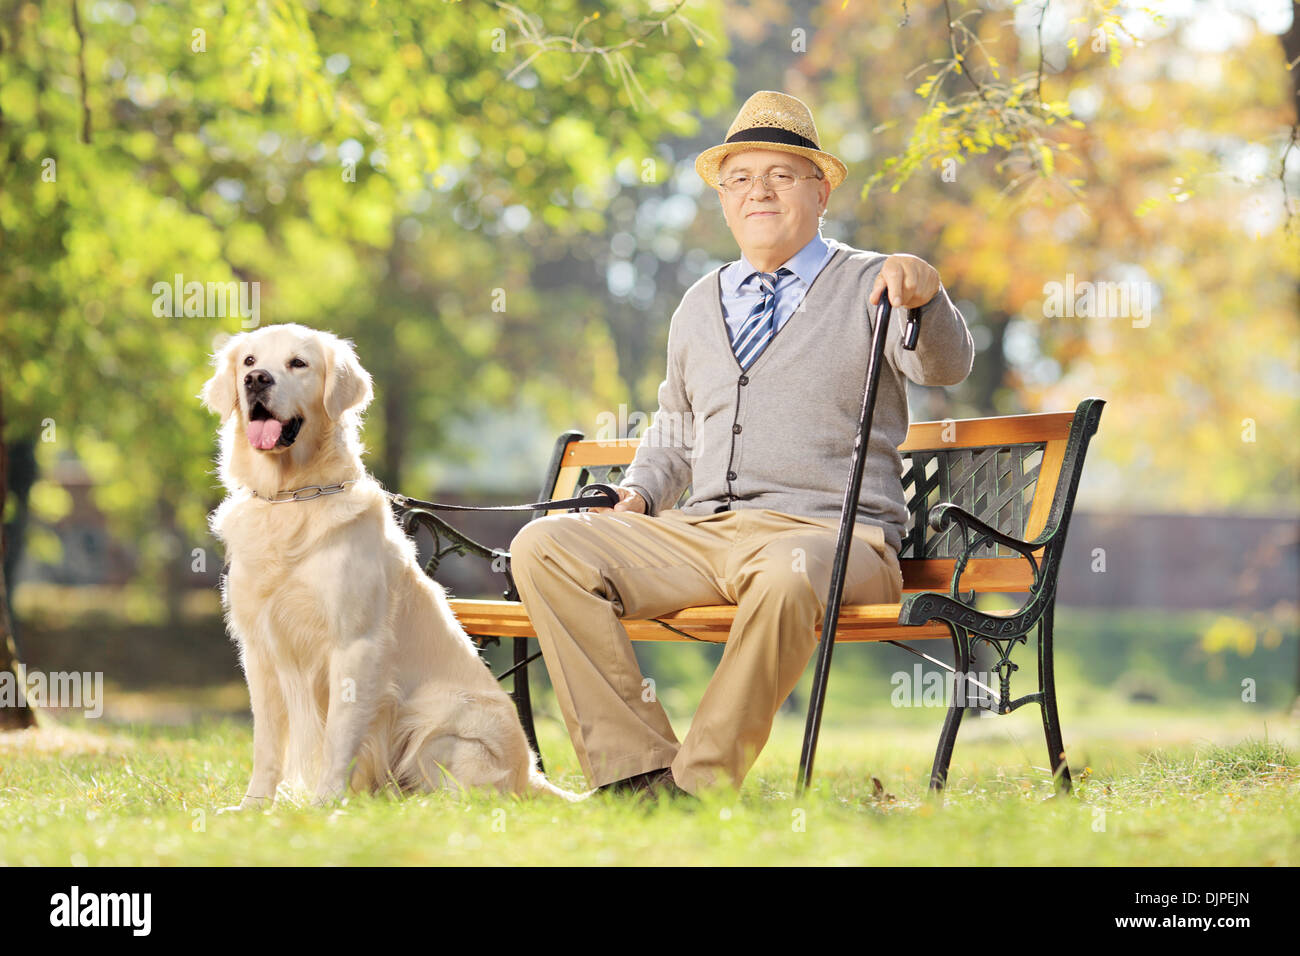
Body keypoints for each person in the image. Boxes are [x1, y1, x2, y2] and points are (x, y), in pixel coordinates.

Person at [509, 91, 975, 799]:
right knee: (544, 546)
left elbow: (944, 367)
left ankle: (697, 787)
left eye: (781, 175)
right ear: (723, 200)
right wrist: (637, 494)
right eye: (739, 178)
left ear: (820, 191)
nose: (757, 190)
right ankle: (636, 775)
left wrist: (927, 293)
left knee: (785, 572)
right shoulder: (700, 301)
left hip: (833, 541)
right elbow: (675, 426)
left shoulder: (873, 282)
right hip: (706, 533)